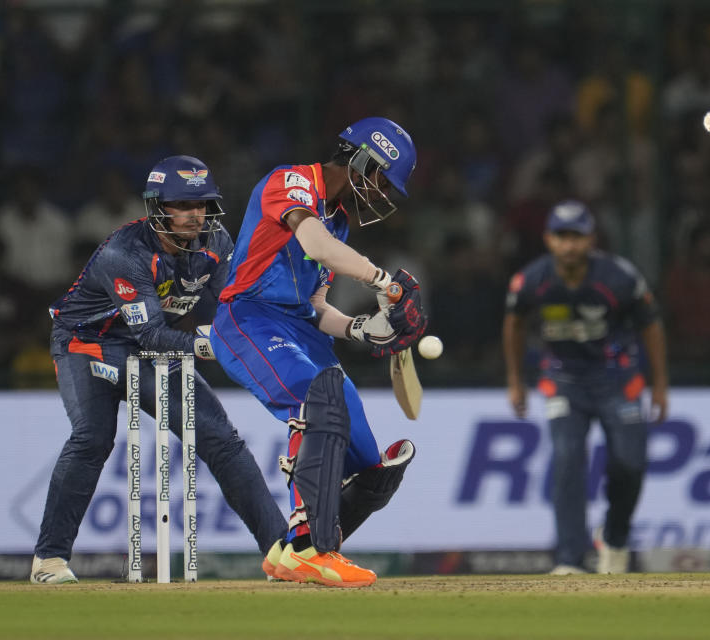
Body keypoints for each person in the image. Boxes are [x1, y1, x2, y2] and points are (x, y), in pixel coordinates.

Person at [31, 155, 288, 584]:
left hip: (148, 348)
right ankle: (49, 560)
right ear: (157, 208)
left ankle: (283, 552)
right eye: (183, 205)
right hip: (89, 344)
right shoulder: (124, 253)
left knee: (221, 440)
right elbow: (151, 334)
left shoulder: (217, 242)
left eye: (203, 204)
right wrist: (211, 346)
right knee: (93, 437)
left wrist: (261, 335)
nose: (195, 215)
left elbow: (229, 307)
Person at [211, 117, 428, 588]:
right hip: (248, 318)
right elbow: (315, 244)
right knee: (316, 398)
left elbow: (315, 306)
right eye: (381, 179)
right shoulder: (289, 181)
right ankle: (311, 548)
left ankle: (292, 554)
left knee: (374, 470)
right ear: (362, 160)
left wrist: (361, 328)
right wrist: (385, 283)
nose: (382, 193)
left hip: (301, 330)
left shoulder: (341, 222)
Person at [502, 200, 668, 575]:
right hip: (563, 379)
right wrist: (515, 381)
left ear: (591, 239)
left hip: (618, 379)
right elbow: (513, 323)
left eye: (577, 236)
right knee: (566, 459)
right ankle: (570, 559)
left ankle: (614, 537)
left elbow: (651, 326)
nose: (570, 245)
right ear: (548, 239)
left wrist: (659, 385)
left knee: (630, 463)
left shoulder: (620, 277)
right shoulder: (532, 279)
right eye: (562, 236)